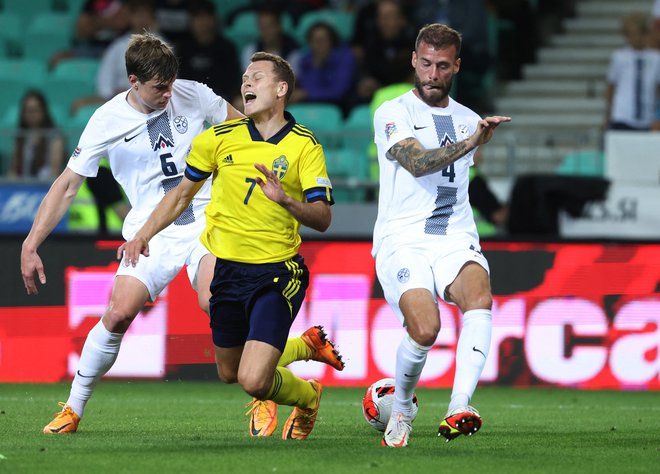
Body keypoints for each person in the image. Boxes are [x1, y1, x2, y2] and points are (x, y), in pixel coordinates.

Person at [20, 33, 342, 436]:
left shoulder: (193, 93)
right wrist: (32, 243)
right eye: (159, 87)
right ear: (133, 82)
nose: (169, 93)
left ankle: (262, 393)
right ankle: (74, 407)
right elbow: (68, 185)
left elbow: (247, 136)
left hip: (208, 218)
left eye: (173, 82)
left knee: (216, 303)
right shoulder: (106, 120)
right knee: (118, 313)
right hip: (152, 225)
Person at [119, 51, 334, 440]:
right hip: (226, 272)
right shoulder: (217, 138)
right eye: (244, 78)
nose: (246, 84)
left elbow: (322, 216)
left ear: (281, 88)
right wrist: (143, 234)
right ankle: (302, 349)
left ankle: (307, 397)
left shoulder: (304, 145)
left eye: (257, 77)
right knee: (229, 373)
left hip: (276, 272)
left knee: (253, 380)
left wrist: (286, 200)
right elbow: (181, 195)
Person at [371, 23, 510, 447]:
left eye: (442, 66)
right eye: (426, 63)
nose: (433, 73)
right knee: (426, 328)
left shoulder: (468, 118)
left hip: (453, 234)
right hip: (403, 239)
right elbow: (416, 163)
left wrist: (472, 140)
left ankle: (459, 406)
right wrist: (470, 143)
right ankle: (403, 407)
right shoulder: (393, 112)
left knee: (479, 296)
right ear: (414, 60)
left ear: (456, 67)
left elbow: (464, 181)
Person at [176, 0, 242, 102]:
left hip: (221, 101)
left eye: (206, 17)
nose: (203, 23)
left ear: (214, 19)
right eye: (198, 18)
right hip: (189, 101)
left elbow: (233, 81)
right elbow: (179, 81)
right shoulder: (183, 48)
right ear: (191, 21)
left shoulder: (227, 48)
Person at [605, 13, 660, 131]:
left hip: (646, 118)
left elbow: (658, 88)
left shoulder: (655, 58)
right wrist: (608, 114)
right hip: (622, 115)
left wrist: (657, 116)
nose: (633, 39)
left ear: (645, 34)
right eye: (629, 35)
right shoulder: (619, 57)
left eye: (637, 34)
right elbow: (611, 87)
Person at [290, 21, 357, 113]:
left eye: (322, 40)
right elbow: (307, 86)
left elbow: (338, 91)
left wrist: (308, 94)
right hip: (311, 105)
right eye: (314, 41)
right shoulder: (306, 60)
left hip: (339, 106)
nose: (318, 45)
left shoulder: (344, 58)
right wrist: (316, 66)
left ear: (331, 42)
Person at [8, 90, 66, 180]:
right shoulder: (21, 135)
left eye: (34, 110)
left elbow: (55, 170)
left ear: (43, 111)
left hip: (47, 185)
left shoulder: (54, 136)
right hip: (22, 185)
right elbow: (13, 169)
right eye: (27, 111)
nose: (31, 115)